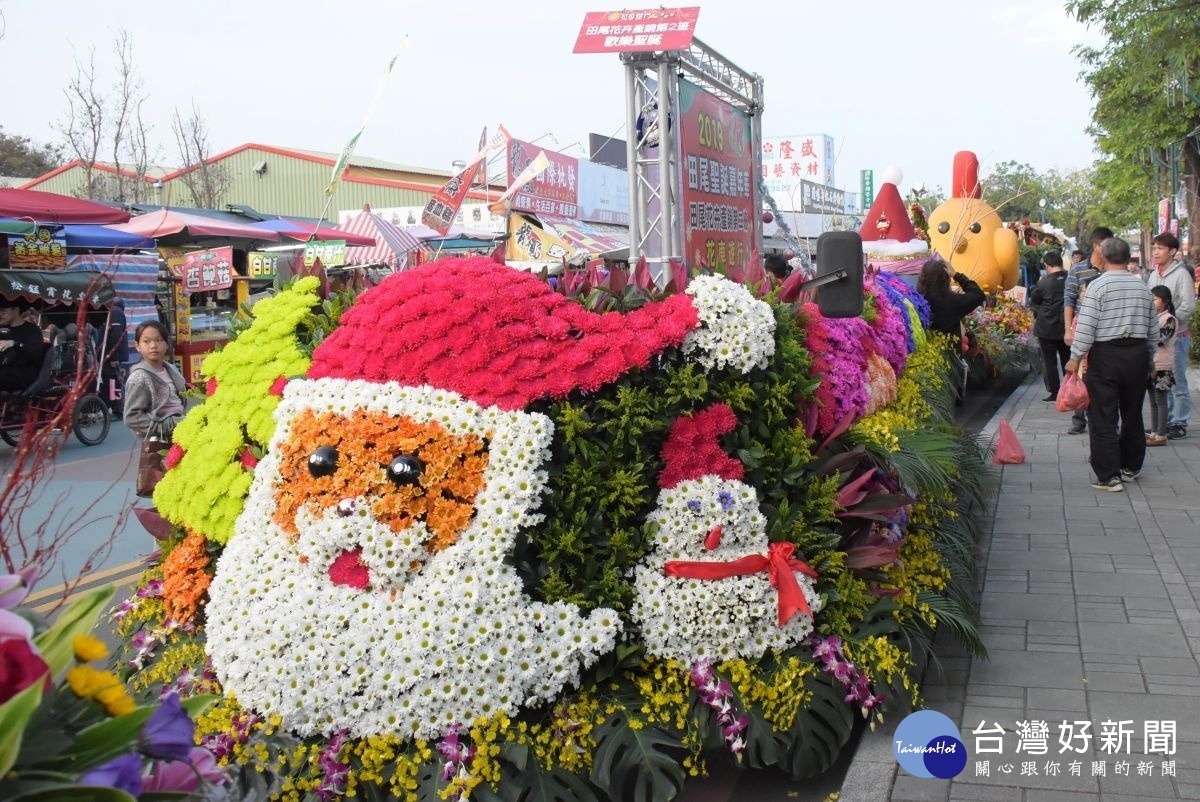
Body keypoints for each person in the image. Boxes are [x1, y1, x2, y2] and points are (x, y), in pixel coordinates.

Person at [1064, 237, 1158, 492]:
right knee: (1132, 412)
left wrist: (1075, 358)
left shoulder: (1098, 286)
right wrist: (1149, 357)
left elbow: (1087, 326)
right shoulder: (1143, 287)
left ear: (1103, 258)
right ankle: (1131, 467)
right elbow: (1153, 329)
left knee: (1104, 415)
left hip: (1106, 356)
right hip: (1137, 355)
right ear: (1128, 259)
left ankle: (1108, 476)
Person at [1062, 226, 1112, 434]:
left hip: (1106, 331)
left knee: (1101, 375)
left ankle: (1101, 416)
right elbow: (1068, 300)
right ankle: (1078, 418)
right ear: (1096, 246)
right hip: (1082, 328)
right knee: (1080, 372)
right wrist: (1067, 329)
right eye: (1106, 244)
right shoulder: (1078, 270)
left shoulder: (1113, 270)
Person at [1146, 232, 1194, 440]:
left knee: (1179, 381)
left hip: (1178, 337)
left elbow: (1189, 305)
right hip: (1157, 339)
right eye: (1154, 248)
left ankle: (1179, 421)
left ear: (1172, 251)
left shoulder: (1181, 274)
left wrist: (1170, 322)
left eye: (1160, 248)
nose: (1155, 252)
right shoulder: (1154, 274)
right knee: (1161, 380)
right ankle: (1163, 424)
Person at [123, 321, 187, 442]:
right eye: (146, 341)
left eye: (158, 340)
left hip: (181, 434)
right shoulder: (139, 377)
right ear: (137, 346)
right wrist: (165, 427)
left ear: (167, 344)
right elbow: (132, 417)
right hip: (160, 441)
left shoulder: (172, 370)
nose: (153, 345)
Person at [1029, 250, 1070, 402]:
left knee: (1049, 362)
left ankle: (1055, 392)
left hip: (1046, 328)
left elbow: (1035, 300)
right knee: (1068, 359)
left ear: (1047, 265)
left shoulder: (1043, 283)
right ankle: (1069, 389)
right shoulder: (1071, 280)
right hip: (1067, 327)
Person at [917, 256, 986, 336]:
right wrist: (955, 275)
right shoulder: (953, 302)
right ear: (946, 279)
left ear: (922, 278)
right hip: (951, 347)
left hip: (927, 347)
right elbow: (978, 294)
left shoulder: (918, 302)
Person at [1146, 285, 1178, 447]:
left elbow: (1160, 339)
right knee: (1152, 401)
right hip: (1151, 365)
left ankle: (1161, 434)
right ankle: (1154, 432)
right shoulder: (1153, 318)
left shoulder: (1169, 319)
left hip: (1163, 365)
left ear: (1165, 301)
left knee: (1161, 400)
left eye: (1156, 299)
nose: (1153, 302)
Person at [0, 298, 46, 393]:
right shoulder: (2, 329)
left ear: (16, 310)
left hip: (23, 373)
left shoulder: (32, 330)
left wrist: (15, 343)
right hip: (4, 369)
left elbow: (35, 354)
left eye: (3, 311)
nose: (0, 314)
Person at [103, 299, 129, 418]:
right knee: (113, 381)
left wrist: (114, 356)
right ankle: (116, 408)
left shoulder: (115, 313)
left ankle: (118, 410)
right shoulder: (116, 312)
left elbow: (115, 335)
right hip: (113, 355)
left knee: (116, 382)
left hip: (114, 356)